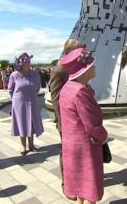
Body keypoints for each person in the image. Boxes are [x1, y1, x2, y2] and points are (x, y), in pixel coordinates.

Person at [59, 48, 108, 204]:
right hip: (86, 148)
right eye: (91, 65)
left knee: (80, 187)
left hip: (71, 146)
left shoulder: (67, 87)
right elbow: (92, 125)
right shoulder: (80, 91)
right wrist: (104, 136)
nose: (94, 67)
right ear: (84, 71)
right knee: (89, 190)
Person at [48, 38, 83, 199]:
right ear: (69, 52)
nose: (83, 53)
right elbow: (55, 99)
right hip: (67, 121)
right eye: (80, 50)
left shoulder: (78, 67)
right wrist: (62, 122)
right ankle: (67, 184)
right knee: (67, 153)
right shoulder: (59, 70)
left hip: (81, 119)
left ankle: (80, 180)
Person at [8, 53, 44, 155]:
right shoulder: (14, 75)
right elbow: (10, 90)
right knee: (22, 122)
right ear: (20, 64)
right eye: (26, 62)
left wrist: (31, 95)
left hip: (32, 101)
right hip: (20, 103)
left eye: (29, 62)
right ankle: (23, 145)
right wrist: (15, 101)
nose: (28, 64)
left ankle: (31, 145)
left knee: (31, 122)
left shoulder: (34, 74)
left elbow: (37, 87)